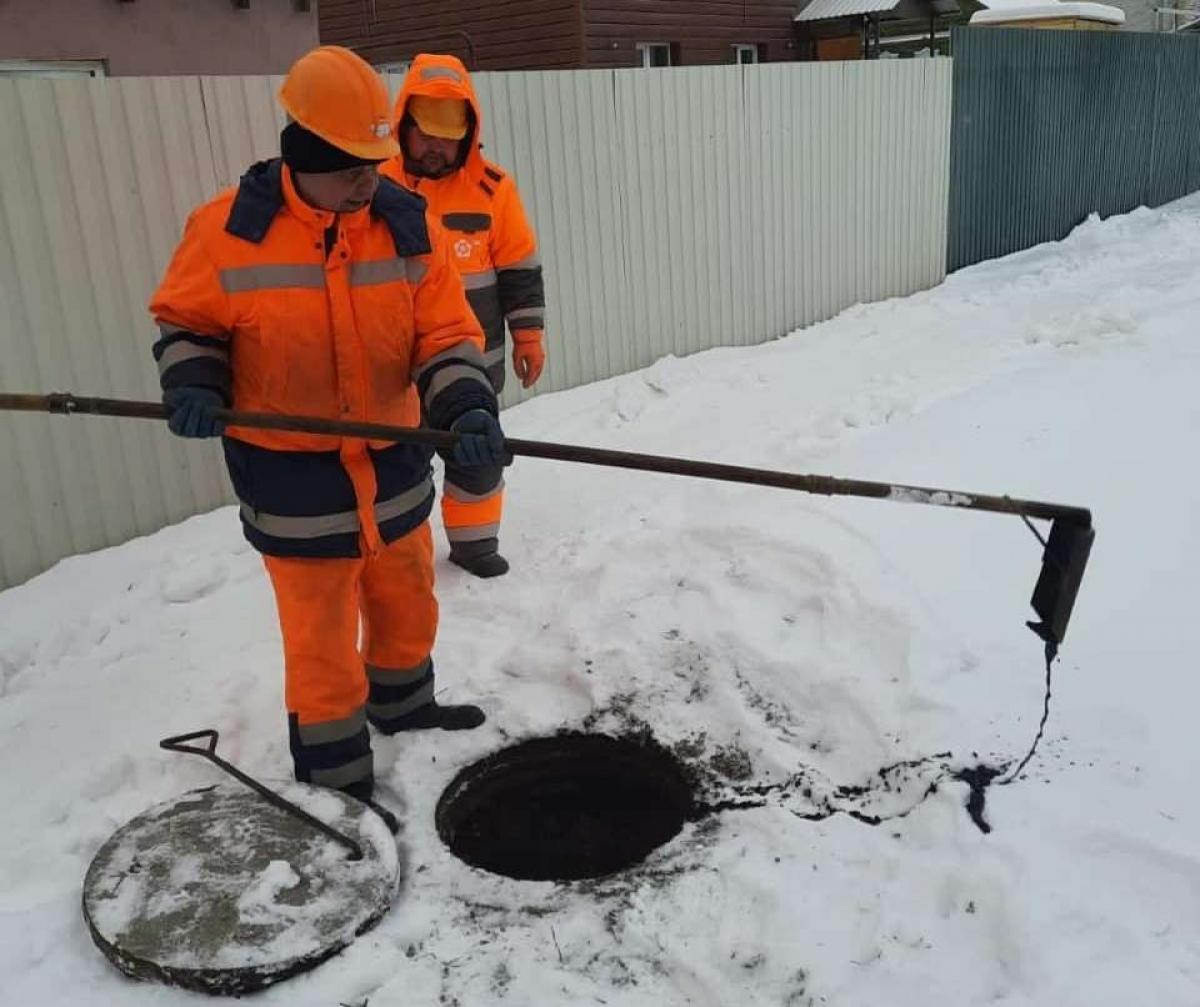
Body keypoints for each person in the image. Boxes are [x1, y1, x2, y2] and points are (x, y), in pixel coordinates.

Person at [148, 46, 508, 824]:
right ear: (303, 152)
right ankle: (338, 777)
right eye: (352, 164)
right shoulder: (225, 233)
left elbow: (445, 335)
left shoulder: (405, 228)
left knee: (407, 602)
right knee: (320, 641)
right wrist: (195, 382)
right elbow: (187, 324)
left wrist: (467, 407)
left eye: (376, 161)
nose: (369, 178)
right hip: (294, 483)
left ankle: (405, 707)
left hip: (396, 464)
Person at [381, 53, 546, 579]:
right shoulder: (369, 188)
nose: (435, 146)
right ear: (404, 123)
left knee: (477, 458)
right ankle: (397, 556)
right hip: (391, 374)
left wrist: (529, 337)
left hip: (473, 368)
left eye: (447, 135)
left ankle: (475, 545)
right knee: (396, 467)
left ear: (469, 133)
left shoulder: (493, 189)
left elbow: (520, 269)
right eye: (426, 132)